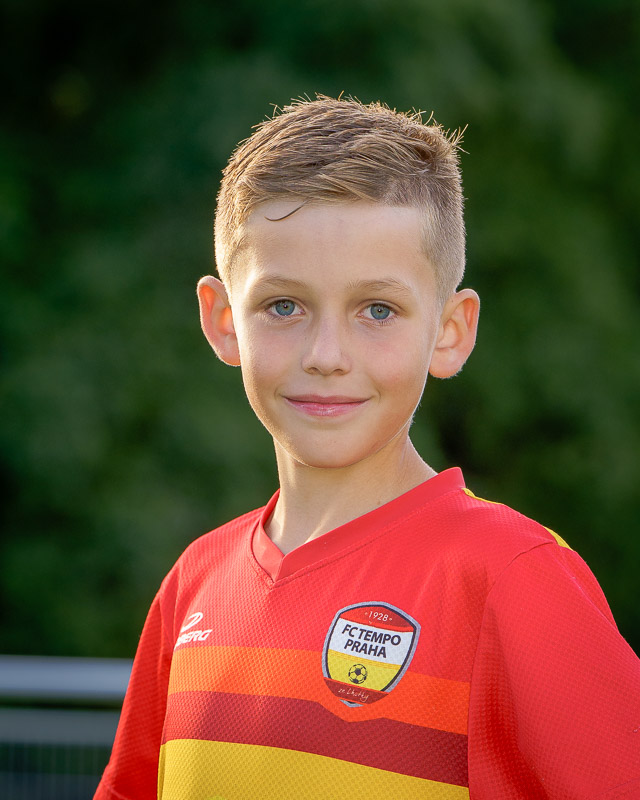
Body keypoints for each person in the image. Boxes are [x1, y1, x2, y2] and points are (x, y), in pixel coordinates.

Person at [94, 96, 640, 800]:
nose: (326, 354)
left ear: (450, 331)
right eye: (283, 306)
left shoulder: (511, 577)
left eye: (377, 310)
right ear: (224, 321)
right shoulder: (194, 584)